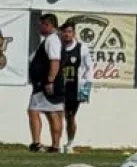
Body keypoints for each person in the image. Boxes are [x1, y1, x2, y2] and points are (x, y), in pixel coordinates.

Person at [27, 13, 65, 153]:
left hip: (45, 84)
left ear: (48, 25)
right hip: (47, 83)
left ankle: (37, 143)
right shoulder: (52, 39)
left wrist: (50, 81)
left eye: (40, 25)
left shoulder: (52, 40)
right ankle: (55, 146)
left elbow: (54, 61)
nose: (38, 28)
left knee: (34, 111)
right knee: (52, 112)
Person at [58, 21, 94, 154]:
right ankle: (55, 142)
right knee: (56, 114)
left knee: (70, 116)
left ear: (73, 33)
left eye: (69, 32)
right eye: (64, 32)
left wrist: (86, 87)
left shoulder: (81, 49)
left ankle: (70, 143)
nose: (66, 34)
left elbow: (89, 68)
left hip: (74, 88)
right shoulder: (57, 47)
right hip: (58, 88)